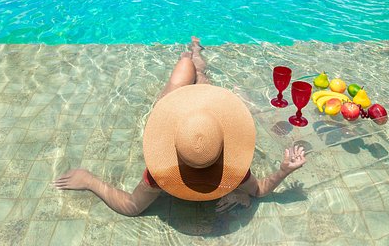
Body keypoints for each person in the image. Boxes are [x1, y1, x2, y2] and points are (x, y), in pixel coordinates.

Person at [54, 37, 306, 216]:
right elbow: (259, 190)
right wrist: (281, 172)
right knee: (189, 66)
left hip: (197, 119)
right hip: (173, 106)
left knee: (197, 73)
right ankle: (193, 53)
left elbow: (132, 206)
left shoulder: (162, 173)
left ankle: (195, 55)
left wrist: (91, 181)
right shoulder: (231, 168)